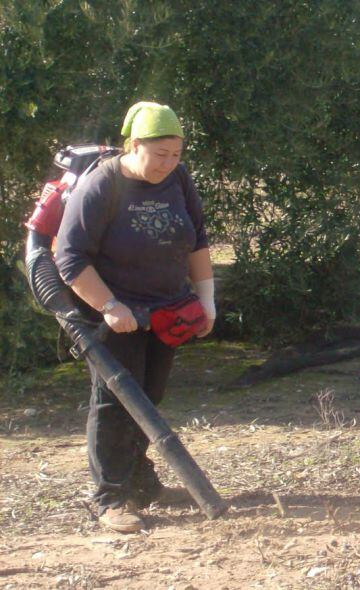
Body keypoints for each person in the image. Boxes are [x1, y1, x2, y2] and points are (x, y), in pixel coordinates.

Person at [54, 101, 215, 533]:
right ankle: (110, 499)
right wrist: (109, 306)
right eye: (160, 154)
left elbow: (197, 238)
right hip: (115, 317)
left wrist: (207, 298)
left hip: (168, 310)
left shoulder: (177, 178)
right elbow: (69, 259)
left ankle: (140, 483)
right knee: (113, 404)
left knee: (150, 398)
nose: (169, 163)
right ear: (134, 145)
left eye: (177, 154)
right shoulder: (100, 186)